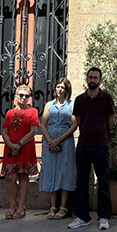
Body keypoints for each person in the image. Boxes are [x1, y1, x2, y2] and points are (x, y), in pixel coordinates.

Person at [68, 67, 115, 231]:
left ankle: (103, 217)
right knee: (81, 181)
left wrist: (101, 132)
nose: (92, 80)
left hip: (101, 145)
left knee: (103, 181)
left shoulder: (106, 98)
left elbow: (111, 118)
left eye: (95, 77)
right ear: (86, 79)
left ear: (100, 80)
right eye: (90, 77)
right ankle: (82, 216)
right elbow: (78, 120)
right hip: (83, 145)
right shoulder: (80, 99)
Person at [0, 84, 40, 219]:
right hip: (10, 148)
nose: (23, 98)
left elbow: (34, 131)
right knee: (9, 177)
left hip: (25, 148)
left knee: (23, 176)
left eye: (26, 96)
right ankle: (12, 206)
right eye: (21, 95)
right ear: (16, 97)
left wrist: (19, 144)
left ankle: (21, 206)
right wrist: (11, 144)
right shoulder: (10, 113)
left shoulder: (33, 111)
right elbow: (4, 131)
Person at [40, 77, 77, 220]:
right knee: (51, 171)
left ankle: (63, 207)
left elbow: (74, 125)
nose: (60, 90)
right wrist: (50, 141)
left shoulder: (71, 105)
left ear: (67, 90)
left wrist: (59, 140)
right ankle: (52, 206)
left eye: (63, 87)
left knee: (65, 171)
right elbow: (43, 124)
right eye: (58, 87)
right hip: (50, 140)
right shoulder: (49, 105)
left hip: (65, 140)